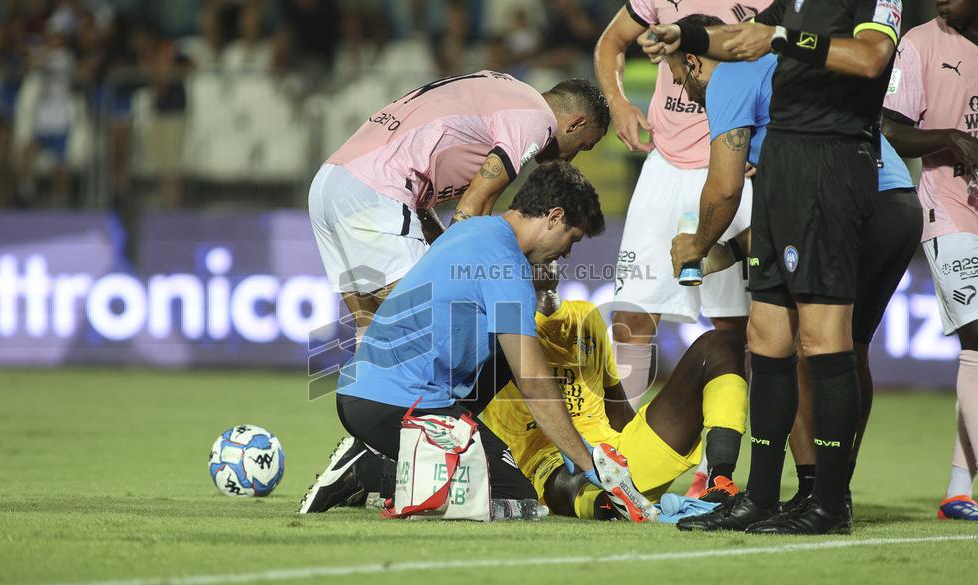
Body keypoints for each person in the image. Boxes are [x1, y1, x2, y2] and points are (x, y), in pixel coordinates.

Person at [644, 0, 901, 534]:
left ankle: (828, 500)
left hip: (843, 173)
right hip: (789, 176)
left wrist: (784, 37)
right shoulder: (789, 8)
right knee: (768, 337)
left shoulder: (855, 7)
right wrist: (682, 32)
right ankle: (763, 495)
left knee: (829, 343)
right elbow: (741, 37)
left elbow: (873, 58)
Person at [300, 162, 653, 522]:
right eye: (571, 239)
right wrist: (588, 461)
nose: (567, 254)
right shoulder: (507, 266)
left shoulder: (477, 230)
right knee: (518, 501)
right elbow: (533, 382)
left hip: (372, 392)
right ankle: (374, 471)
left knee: (508, 349)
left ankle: (413, 456)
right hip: (397, 403)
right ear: (554, 216)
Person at [309, 73, 609, 332]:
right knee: (427, 329)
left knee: (372, 332)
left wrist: (442, 246)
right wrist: (465, 278)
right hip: (377, 190)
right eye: (584, 145)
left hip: (332, 180)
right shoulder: (537, 119)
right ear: (575, 124)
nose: (572, 157)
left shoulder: (501, 87)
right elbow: (477, 199)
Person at [594, 1, 768, 417]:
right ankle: (617, 462)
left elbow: (791, 66)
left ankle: (715, 473)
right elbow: (610, 42)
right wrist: (618, 103)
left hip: (731, 167)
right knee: (631, 320)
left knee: (734, 328)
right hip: (665, 165)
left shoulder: (771, 6)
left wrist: (769, 140)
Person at [478, 263, 747, 519]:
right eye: (532, 254)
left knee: (721, 343)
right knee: (565, 481)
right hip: (550, 466)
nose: (546, 260)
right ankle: (609, 503)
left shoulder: (585, 314)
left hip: (616, 455)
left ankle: (719, 483)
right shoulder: (495, 322)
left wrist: (645, 441)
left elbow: (617, 410)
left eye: (550, 255)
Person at [881, 0, 978, 521]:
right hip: (947, 210)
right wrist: (950, 137)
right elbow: (891, 127)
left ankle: (958, 490)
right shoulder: (920, 43)